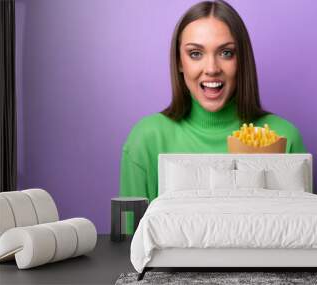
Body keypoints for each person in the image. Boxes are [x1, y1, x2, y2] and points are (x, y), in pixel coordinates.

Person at [119, 0, 306, 233]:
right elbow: (128, 247)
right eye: (195, 53)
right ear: (179, 61)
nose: (211, 68)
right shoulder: (146, 139)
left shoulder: (284, 137)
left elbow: (299, 235)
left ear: (242, 60)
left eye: (226, 53)